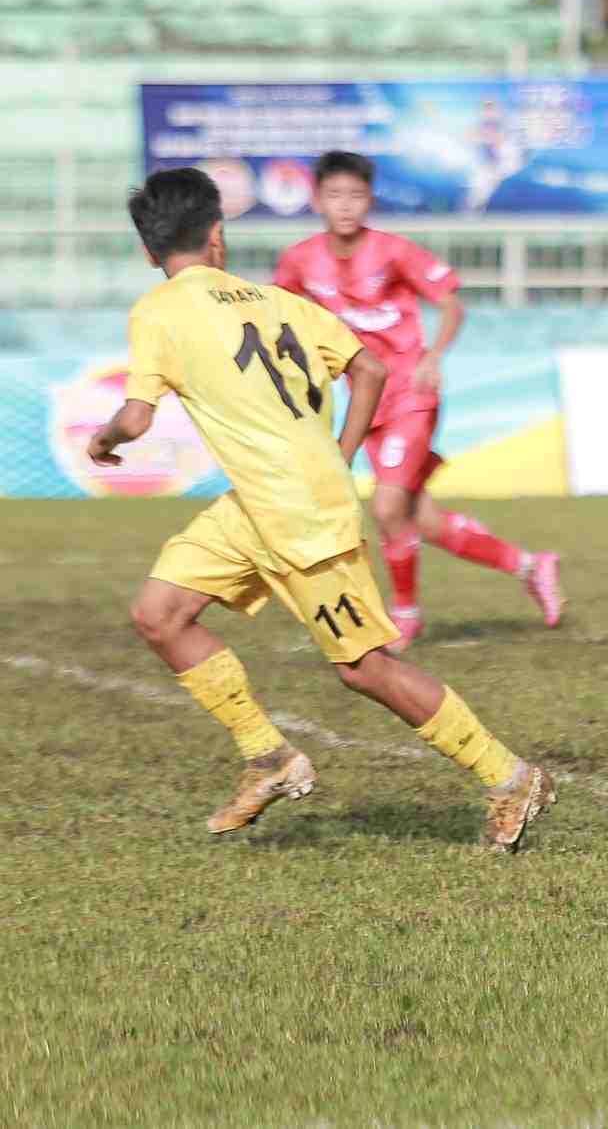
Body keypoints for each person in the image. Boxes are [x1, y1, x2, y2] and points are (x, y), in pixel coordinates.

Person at [89, 168, 556, 850]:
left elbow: (134, 419)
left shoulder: (157, 309)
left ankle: (508, 775)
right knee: (157, 614)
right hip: (257, 503)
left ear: (147, 251)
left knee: (365, 668)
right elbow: (368, 367)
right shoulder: (281, 301)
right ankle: (270, 757)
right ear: (218, 236)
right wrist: (337, 453)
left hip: (300, 515)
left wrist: (104, 440)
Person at [274, 151, 561, 651]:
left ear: (369, 201)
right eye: (335, 195)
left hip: (411, 390)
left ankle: (406, 615)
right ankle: (532, 567)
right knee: (419, 520)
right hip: (367, 402)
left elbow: (451, 303)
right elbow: (283, 315)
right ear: (317, 200)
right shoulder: (300, 260)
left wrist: (434, 357)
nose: (346, 206)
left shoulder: (394, 251)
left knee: (386, 507)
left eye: (356, 196)